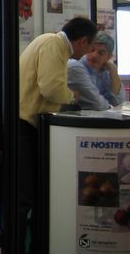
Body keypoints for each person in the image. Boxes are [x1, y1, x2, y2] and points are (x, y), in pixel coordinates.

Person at [17, 16, 97, 254]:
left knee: (29, 194)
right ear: (82, 41)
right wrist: (72, 96)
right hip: (22, 127)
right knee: (24, 196)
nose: (87, 54)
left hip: (26, 125)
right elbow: (51, 88)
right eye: (89, 47)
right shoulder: (54, 44)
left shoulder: (51, 42)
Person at [67, 32, 124, 110]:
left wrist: (113, 69)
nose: (94, 55)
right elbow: (96, 104)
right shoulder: (76, 67)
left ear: (109, 57)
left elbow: (118, 102)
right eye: (91, 50)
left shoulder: (106, 71)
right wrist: (110, 107)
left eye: (101, 53)